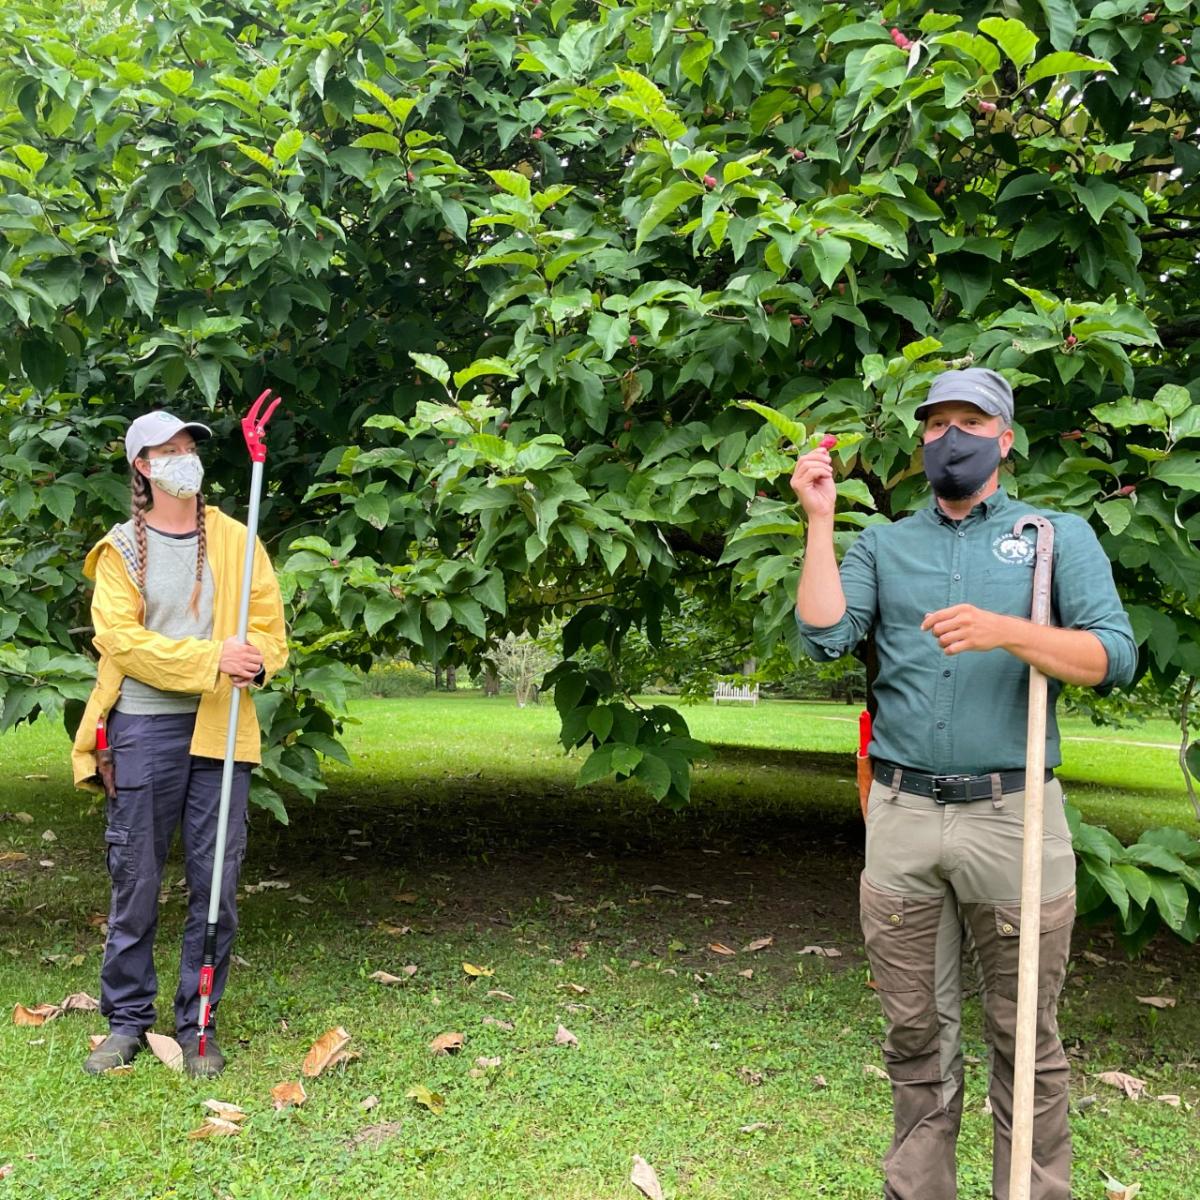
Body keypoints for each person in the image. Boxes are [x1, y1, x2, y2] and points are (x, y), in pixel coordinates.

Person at [791, 369, 1135, 1200]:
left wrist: (1007, 631)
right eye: (937, 423)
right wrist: (822, 522)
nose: (951, 437)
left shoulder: (1054, 535)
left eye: (970, 421)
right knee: (916, 1038)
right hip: (903, 816)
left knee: (1026, 1039)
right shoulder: (885, 544)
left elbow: (1113, 657)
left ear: (1004, 438)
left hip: (1013, 816)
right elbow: (825, 638)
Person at [71, 410, 288, 1078]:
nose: (184, 457)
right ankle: (126, 1022)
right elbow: (122, 643)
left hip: (222, 726)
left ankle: (198, 1025)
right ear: (142, 466)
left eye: (189, 446)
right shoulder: (120, 550)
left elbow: (269, 631)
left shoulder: (236, 538)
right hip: (142, 728)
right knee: (135, 880)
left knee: (215, 883)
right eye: (168, 449)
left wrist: (256, 660)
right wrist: (210, 658)